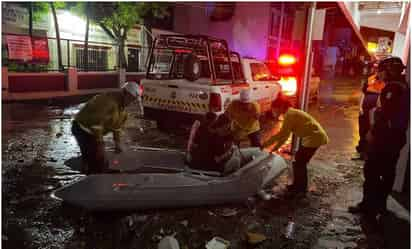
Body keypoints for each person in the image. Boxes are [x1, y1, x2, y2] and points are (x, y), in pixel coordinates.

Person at [348, 57, 409, 220]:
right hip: (394, 138)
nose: (379, 74)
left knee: (373, 171)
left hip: (385, 138)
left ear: (390, 70)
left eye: (381, 70)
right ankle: (379, 206)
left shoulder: (394, 88)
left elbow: (384, 115)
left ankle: (369, 207)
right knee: (387, 172)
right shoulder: (403, 86)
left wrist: (372, 133)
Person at [261, 97, 329, 195]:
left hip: (314, 138)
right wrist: (266, 144)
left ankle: (300, 189)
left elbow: (284, 136)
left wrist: (273, 149)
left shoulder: (290, 115)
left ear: (280, 107)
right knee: (299, 162)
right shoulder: (290, 113)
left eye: (274, 109)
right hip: (311, 137)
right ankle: (298, 186)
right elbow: (281, 134)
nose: (273, 111)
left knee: (299, 163)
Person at [71, 82, 143, 174]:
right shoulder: (108, 102)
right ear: (124, 93)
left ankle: (89, 169)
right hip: (82, 128)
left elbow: (117, 128)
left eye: (134, 100)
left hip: (93, 130)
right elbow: (96, 124)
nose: (132, 102)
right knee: (97, 156)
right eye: (131, 98)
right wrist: (100, 143)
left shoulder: (123, 111)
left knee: (94, 155)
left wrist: (117, 143)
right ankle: (95, 176)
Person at [355, 64, 385, 159]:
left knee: (371, 131)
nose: (378, 72)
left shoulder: (387, 83)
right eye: (377, 69)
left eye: (380, 70)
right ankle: (362, 152)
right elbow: (363, 94)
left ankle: (369, 154)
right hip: (365, 110)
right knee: (362, 130)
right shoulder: (370, 79)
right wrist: (360, 107)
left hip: (375, 112)